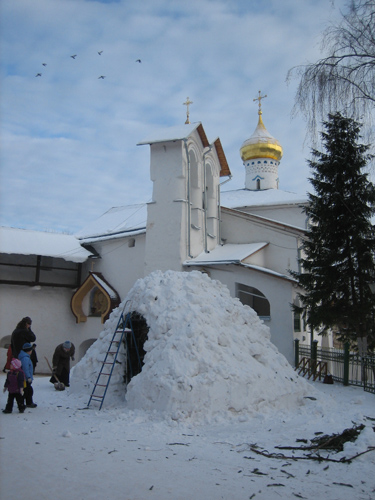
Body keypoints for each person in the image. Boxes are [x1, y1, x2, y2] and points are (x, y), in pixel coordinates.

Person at [18, 343, 37, 408]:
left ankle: (25, 402)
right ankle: (28, 402)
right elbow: (25, 369)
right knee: (28, 391)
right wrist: (28, 377)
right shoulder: (25, 359)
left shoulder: (24, 357)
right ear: (29, 351)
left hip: (24, 378)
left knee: (27, 390)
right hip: (25, 378)